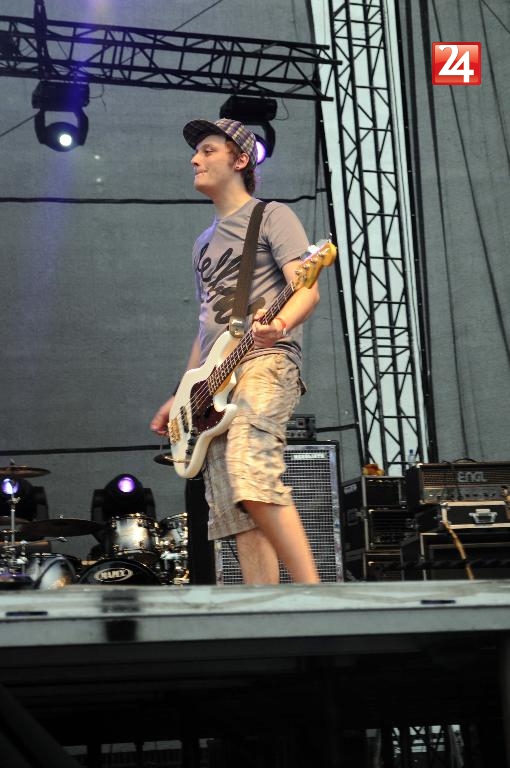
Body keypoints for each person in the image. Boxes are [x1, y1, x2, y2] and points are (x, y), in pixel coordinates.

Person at [151, 117, 320, 585]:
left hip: (265, 361)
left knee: (251, 471)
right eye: (196, 152)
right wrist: (182, 393)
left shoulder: (272, 216)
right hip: (213, 384)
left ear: (241, 159)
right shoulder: (201, 244)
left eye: (208, 150)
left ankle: (314, 595)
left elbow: (306, 289)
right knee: (236, 515)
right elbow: (206, 327)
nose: (195, 159)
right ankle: (265, 613)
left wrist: (279, 324)